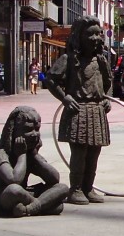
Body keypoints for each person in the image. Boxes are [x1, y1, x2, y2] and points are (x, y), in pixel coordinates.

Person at [45, 15, 112, 205]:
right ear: (79, 37)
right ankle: (75, 189)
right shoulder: (68, 59)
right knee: (79, 153)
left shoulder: (100, 60)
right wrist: (65, 97)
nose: (96, 38)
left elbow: (108, 83)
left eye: (98, 34)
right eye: (91, 34)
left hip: (97, 111)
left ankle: (88, 187)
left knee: (94, 153)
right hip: (78, 110)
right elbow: (51, 80)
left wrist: (107, 98)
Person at [0, 106, 68, 217]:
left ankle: (29, 208)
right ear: (14, 132)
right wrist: (21, 155)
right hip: (2, 197)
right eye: (28, 130)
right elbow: (14, 180)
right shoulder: (1, 155)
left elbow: (54, 178)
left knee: (62, 188)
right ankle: (41, 205)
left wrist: (34, 155)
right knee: (14, 190)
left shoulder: (30, 154)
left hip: (24, 195)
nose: (34, 134)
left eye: (37, 129)